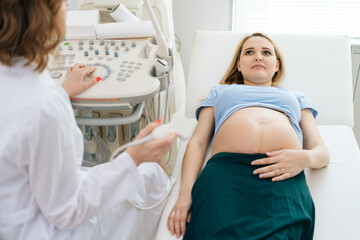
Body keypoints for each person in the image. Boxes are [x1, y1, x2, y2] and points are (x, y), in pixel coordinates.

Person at [0, 0, 176, 239]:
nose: (68, 6)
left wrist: (62, 92)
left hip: (19, 205)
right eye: (61, 3)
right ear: (40, 17)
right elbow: (67, 211)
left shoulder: (24, 82)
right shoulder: (44, 105)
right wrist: (134, 157)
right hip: (43, 228)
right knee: (152, 175)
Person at [167, 32, 329, 239]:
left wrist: (304, 158)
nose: (258, 57)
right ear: (239, 65)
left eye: (266, 52)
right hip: (225, 175)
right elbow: (198, 142)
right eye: (249, 52)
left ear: (277, 65)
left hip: (281, 174)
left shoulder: (295, 97)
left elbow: (321, 152)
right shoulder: (220, 92)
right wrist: (184, 195)